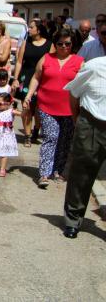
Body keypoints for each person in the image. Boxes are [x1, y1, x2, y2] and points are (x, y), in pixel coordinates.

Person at [25, 29, 84, 189]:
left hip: (70, 108)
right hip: (46, 106)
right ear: (55, 44)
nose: (64, 47)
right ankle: (44, 173)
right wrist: (29, 95)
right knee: (50, 137)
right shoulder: (46, 58)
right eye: (60, 44)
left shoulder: (79, 61)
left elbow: (84, 85)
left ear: (72, 44)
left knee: (64, 141)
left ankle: (57, 170)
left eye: (68, 44)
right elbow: (36, 77)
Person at [61, 56, 106, 238]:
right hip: (92, 123)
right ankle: (73, 219)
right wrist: (77, 119)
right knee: (82, 174)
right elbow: (74, 93)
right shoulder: (94, 66)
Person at [12, 20, 52, 146]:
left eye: (31, 27)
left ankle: (36, 129)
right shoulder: (25, 43)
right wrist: (15, 78)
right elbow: (19, 61)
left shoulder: (49, 45)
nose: (29, 29)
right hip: (27, 78)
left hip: (42, 79)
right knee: (27, 106)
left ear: (38, 30)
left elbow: (51, 63)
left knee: (39, 109)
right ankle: (27, 136)